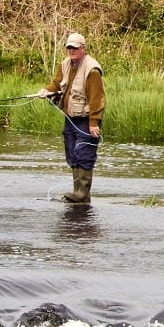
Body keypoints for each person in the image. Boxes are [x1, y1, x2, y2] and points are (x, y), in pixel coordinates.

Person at [42, 31, 105, 204]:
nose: (71, 51)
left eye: (75, 48)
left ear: (83, 48)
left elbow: (97, 98)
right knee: (72, 153)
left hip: (86, 120)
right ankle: (77, 192)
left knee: (84, 153)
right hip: (70, 118)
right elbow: (56, 83)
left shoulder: (92, 69)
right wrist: (47, 91)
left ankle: (83, 195)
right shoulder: (65, 64)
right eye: (69, 47)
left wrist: (94, 122)